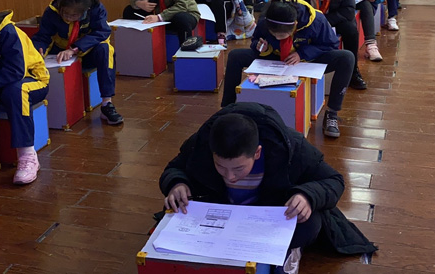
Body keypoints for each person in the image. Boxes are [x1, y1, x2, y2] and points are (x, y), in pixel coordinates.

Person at [159, 103, 377, 273]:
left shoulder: (291, 146)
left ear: (257, 152)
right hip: (223, 213)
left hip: (269, 215)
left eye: (238, 168)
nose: (230, 177)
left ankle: (289, 251)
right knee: (174, 214)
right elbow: (174, 168)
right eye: (220, 166)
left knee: (309, 222)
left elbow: (334, 180)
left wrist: (307, 196)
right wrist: (177, 183)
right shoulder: (202, 143)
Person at [221, 0, 354, 138]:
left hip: (307, 60)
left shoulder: (316, 20)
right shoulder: (266, 19)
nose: (277, 38)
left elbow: (331, 45)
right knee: (235, 56)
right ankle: (228, 108)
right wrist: (261, 47)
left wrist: (302, 54)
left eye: (282, 36)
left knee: (347, 58)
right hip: (275, 57)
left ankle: (332, 113)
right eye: (274, 35)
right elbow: (256, 40)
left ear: (295, 24)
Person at [0, 11, 49, 184]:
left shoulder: (8, 32)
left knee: (16, 91)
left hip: (32, 79)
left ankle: (28, 156)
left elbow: (15, 71)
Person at [32, 0, 123, 125]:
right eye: (65, 13)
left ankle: (107, 104)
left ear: (85, 11)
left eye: (74, 15)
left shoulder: (96, 9)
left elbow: (102, 31)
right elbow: (43, 36)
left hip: (86, 51)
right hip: (60, 53)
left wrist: (75, 49)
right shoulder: (52, 12)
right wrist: (37, 50)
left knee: (106, 50)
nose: (68, 17)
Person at [290, 0, 366, 89]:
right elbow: (291, 5)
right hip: (308, 21)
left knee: (351, 30)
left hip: (333, 19)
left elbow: (348, 10)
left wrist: (322, 22)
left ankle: (354, 71)